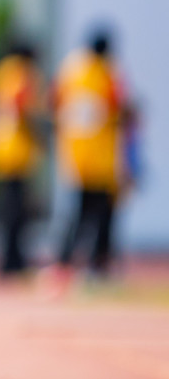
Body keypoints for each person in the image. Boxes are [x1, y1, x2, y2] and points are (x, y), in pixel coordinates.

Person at [52, 27, 135, 280]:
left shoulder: (70, 69)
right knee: (102, 215)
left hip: (76, 155)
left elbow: (54, 103)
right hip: (101, 157)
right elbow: (119, 107)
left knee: (76, 214)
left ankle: (64, 262)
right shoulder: (108, 72)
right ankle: (98, 264)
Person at [0, 39, 46, 277]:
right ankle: (12, 259)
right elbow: (21, 108)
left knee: (11, 209)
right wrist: (39, 137)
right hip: (15, 149)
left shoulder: (2, 71)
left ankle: (11, 257)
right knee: (16, 211)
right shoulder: (21, 73)